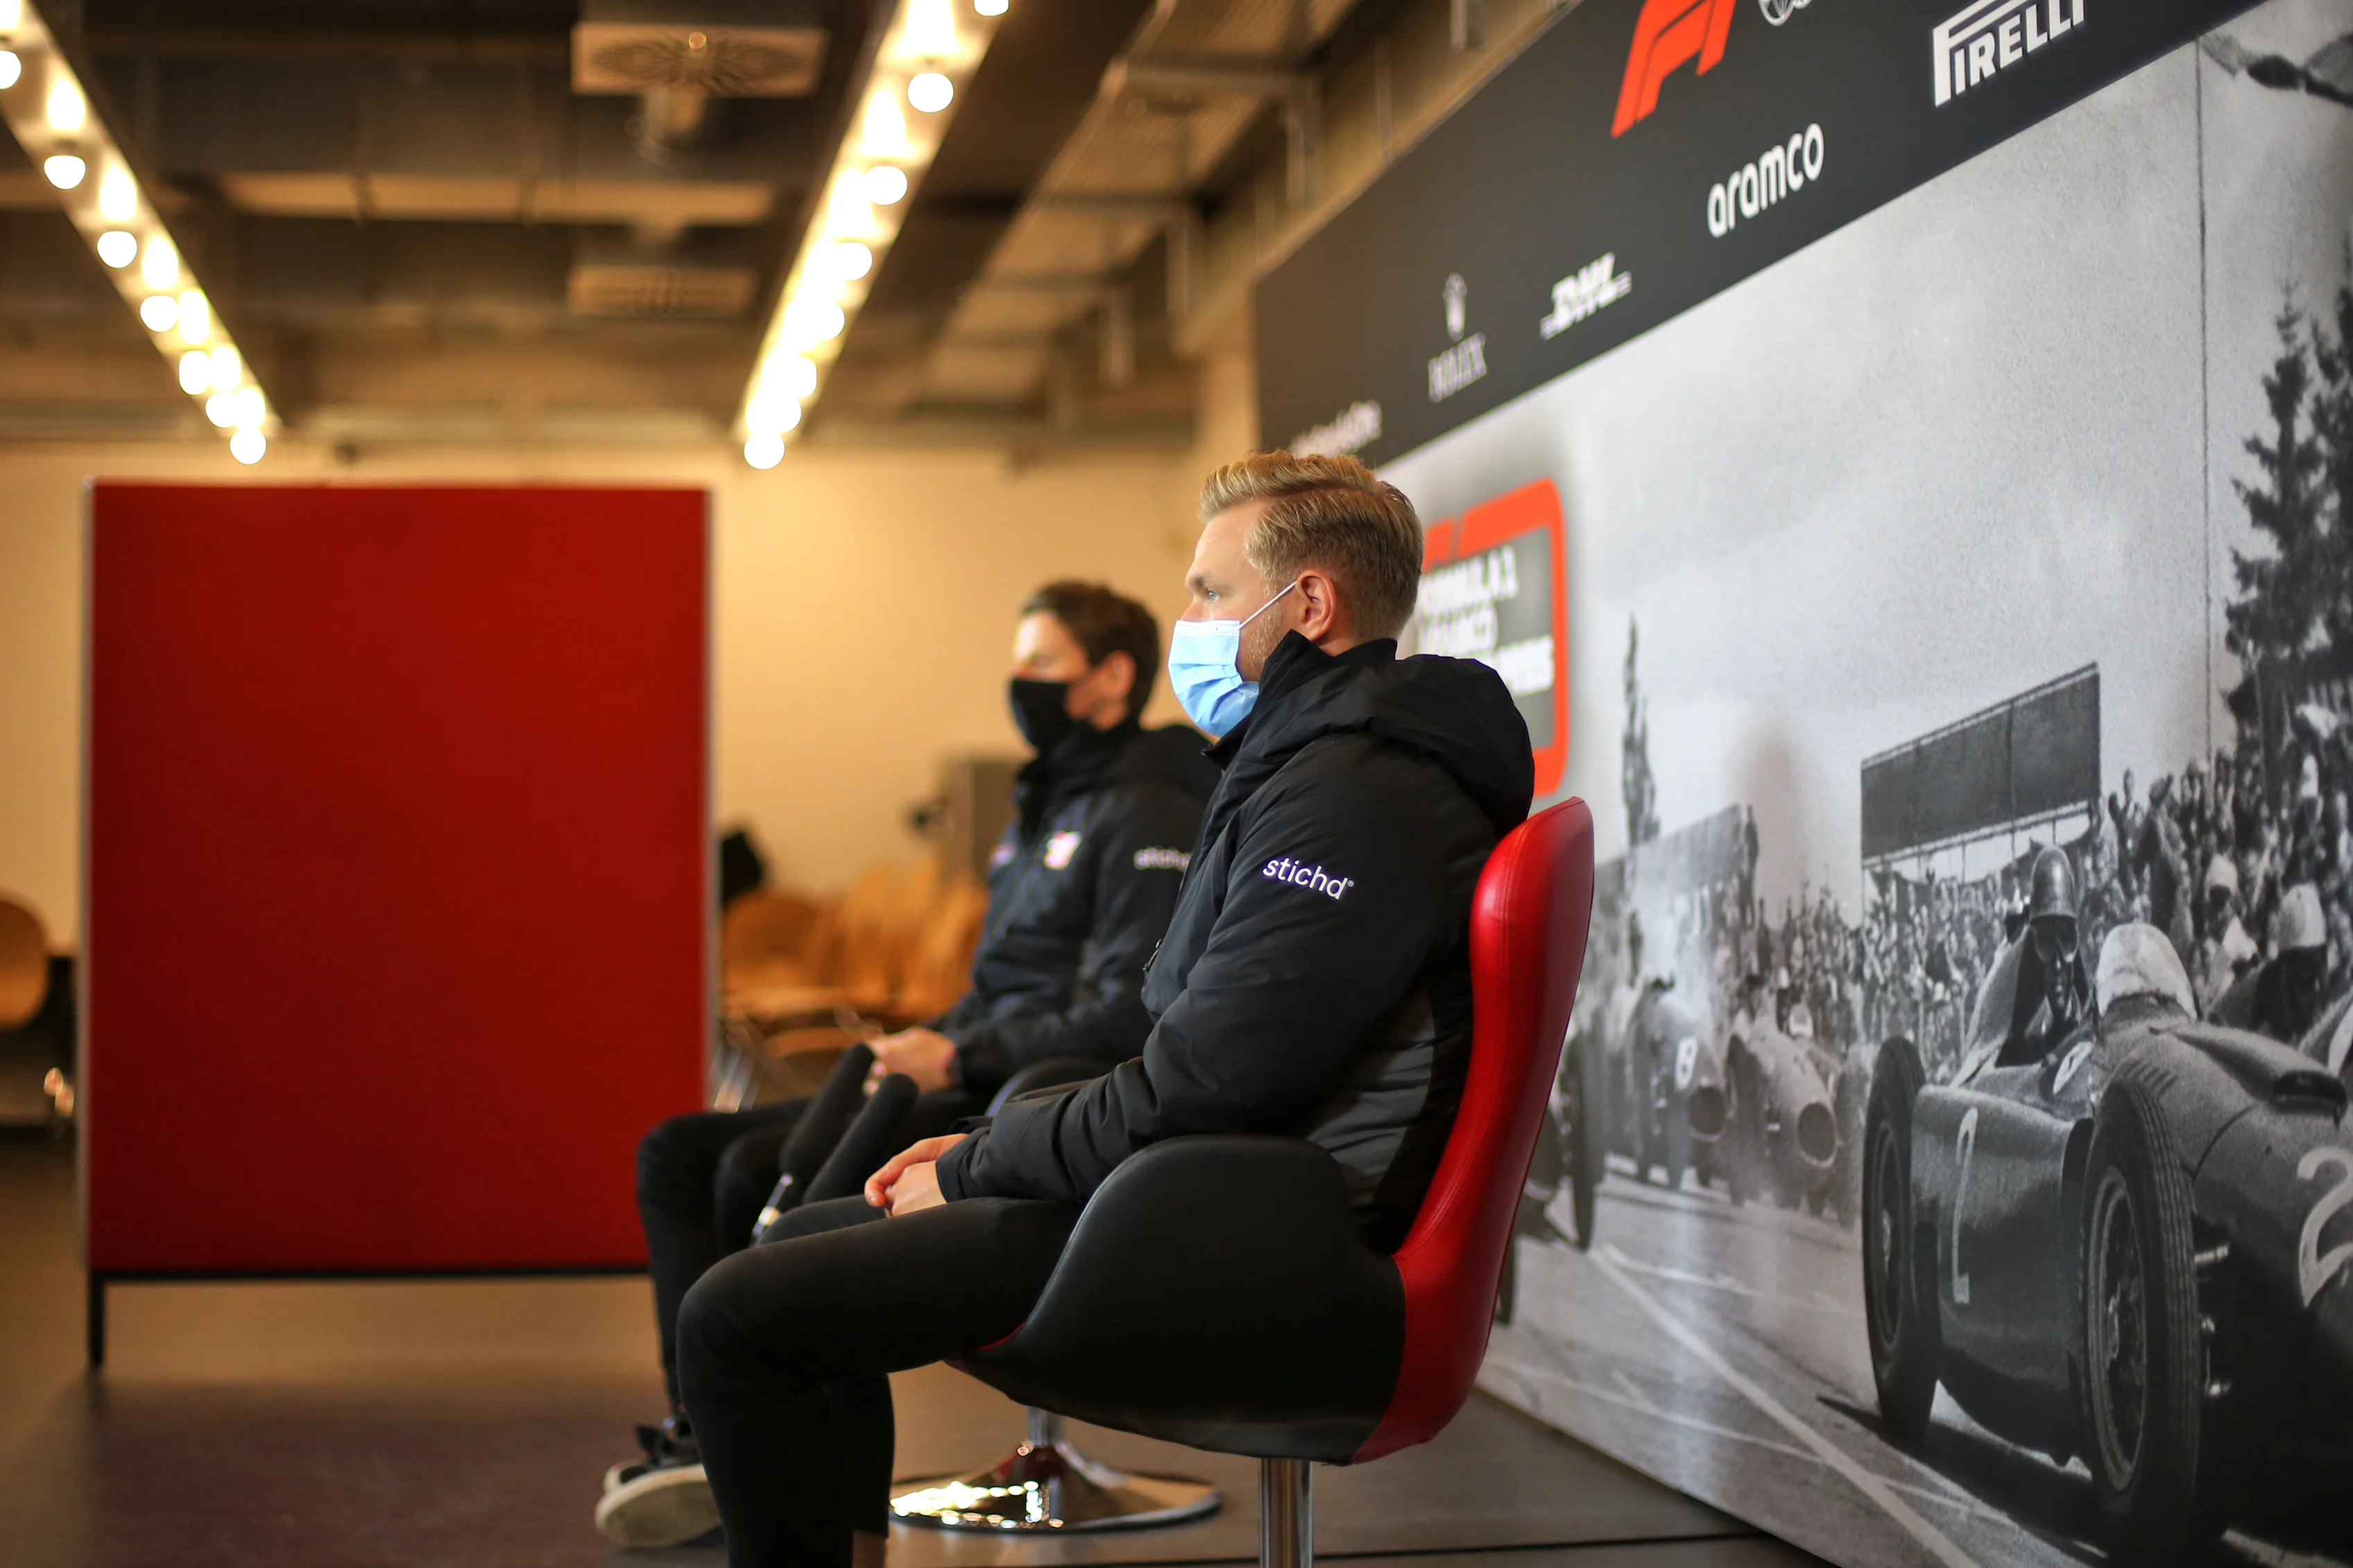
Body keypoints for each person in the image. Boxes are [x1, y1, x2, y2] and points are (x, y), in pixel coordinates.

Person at [656, 451, 1533, 1565]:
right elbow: (1206, 1055)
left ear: (1309, 603)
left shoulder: (1356, 794)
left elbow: (1215, 1079)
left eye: (1212, 592)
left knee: (739, 1316)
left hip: (1256, 1233)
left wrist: (979, 1163)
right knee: (797, 1257)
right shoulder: (1316, 767)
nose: (1191, 621)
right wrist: (986, 1145)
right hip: (1203, 1192)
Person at [606, 582, 1213, 1528]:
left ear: (1111, 679)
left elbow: (1124, 1018)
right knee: (679, 1153)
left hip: (1018, 1096)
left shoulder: (1147, 808)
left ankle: (791, 1484)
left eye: (1042, 663)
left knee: (763, 1192)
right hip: (968, 1060)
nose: (1020, 681)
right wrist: (936, 1034)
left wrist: (963, 1058)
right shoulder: (1045, 804)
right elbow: (1005, 977)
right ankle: (710, 1432)